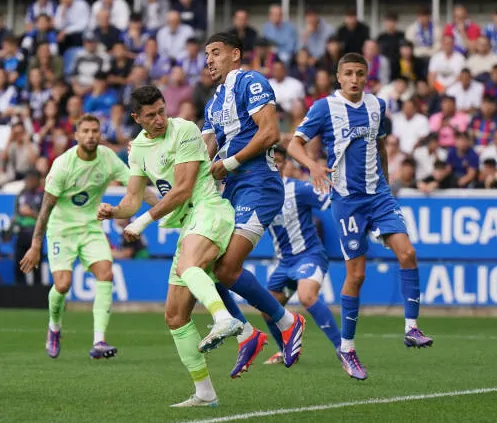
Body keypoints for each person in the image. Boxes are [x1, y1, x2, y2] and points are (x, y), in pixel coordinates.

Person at [287, 52, 433, 381]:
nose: (354, 79)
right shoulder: (325, 107)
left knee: (408, 253)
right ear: (338, 78)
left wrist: (385, 180)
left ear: (367, 77)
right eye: (349, 73)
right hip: (347, 201)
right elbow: (294, 144)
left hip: (378, 194)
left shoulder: (377, 106)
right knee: (357, 276)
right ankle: (348, 349)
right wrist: (312, 165)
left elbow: (379, 145)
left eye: (360, 74)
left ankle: (412, 328)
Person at [97, 87, 243, 407]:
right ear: (136, 118)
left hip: (208, 210)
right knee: (175, 317)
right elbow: (133, 198)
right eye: (151, 115)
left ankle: (223, 319)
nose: (160, 118)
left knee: (188, 267)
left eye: (162, 110)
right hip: (186, 226)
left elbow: (183, 189)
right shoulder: (136, 149)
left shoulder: (185, 130)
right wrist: (116, 212)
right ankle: (205, 393)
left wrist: (141, 222)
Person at [202, 32, 306, 377]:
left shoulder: (251, 81)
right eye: (206, 55)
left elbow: (270, 133)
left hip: (259, 182)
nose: (210, 60)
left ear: (235, 54)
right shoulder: (213, 103)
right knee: (206, 267)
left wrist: (228, 163)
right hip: (232, 188)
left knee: (227, 268)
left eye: (216, 52)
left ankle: (288, 322)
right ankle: (247, 335)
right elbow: (202, 152)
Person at [19, 114, 157, 361]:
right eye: (86, 131)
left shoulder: (107, 158)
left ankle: (99, 341)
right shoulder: (63, 165)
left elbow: (136, 187)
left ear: (99, 134)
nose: (91, 135)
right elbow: (46, 207)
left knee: (106, 273)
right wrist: (36, 244)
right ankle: (54, 327)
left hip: (91, 228)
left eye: (95, 131)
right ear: (76, 135)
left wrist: (164, 205)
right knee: (62, 285)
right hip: (61, 230)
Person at [262, 147, 341, 364]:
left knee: (307, 297)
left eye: (280, 161)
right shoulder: (259, 196)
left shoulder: (298, 189)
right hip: (284, 263)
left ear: (286, 164)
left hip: (309, 255)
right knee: (267, 309)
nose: (276, 165)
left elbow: (331, 200)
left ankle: (342, 348)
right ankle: (286, 352)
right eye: (272, 161)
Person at [13, 170, 44, 286]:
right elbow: (16, 213)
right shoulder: (21, 194)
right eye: (27, 180)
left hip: (35, 235)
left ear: (37, 181)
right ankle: (20, 291)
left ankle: (37, 293)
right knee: (19, 264)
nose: (29, 182)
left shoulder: (42, 195)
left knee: (36, 265)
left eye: (32, 180)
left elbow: (44, 217)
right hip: (22, 233)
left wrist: (30, 213)